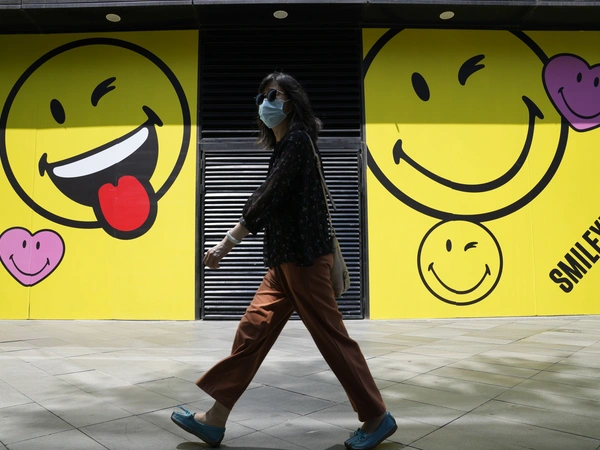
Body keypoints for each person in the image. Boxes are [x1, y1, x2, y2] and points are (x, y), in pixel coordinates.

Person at [171, 72, 397, 450]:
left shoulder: (297, 141)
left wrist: (227, 244)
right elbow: (316, 203)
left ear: (292, 101)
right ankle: (215, 419)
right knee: (253, 331)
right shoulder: (286, 147)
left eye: (273, 96)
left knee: (332, 339)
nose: (266, 104)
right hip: (282, 263)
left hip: (304, 261)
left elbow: (269, 196)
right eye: (261, 97)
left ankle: (376, 416)